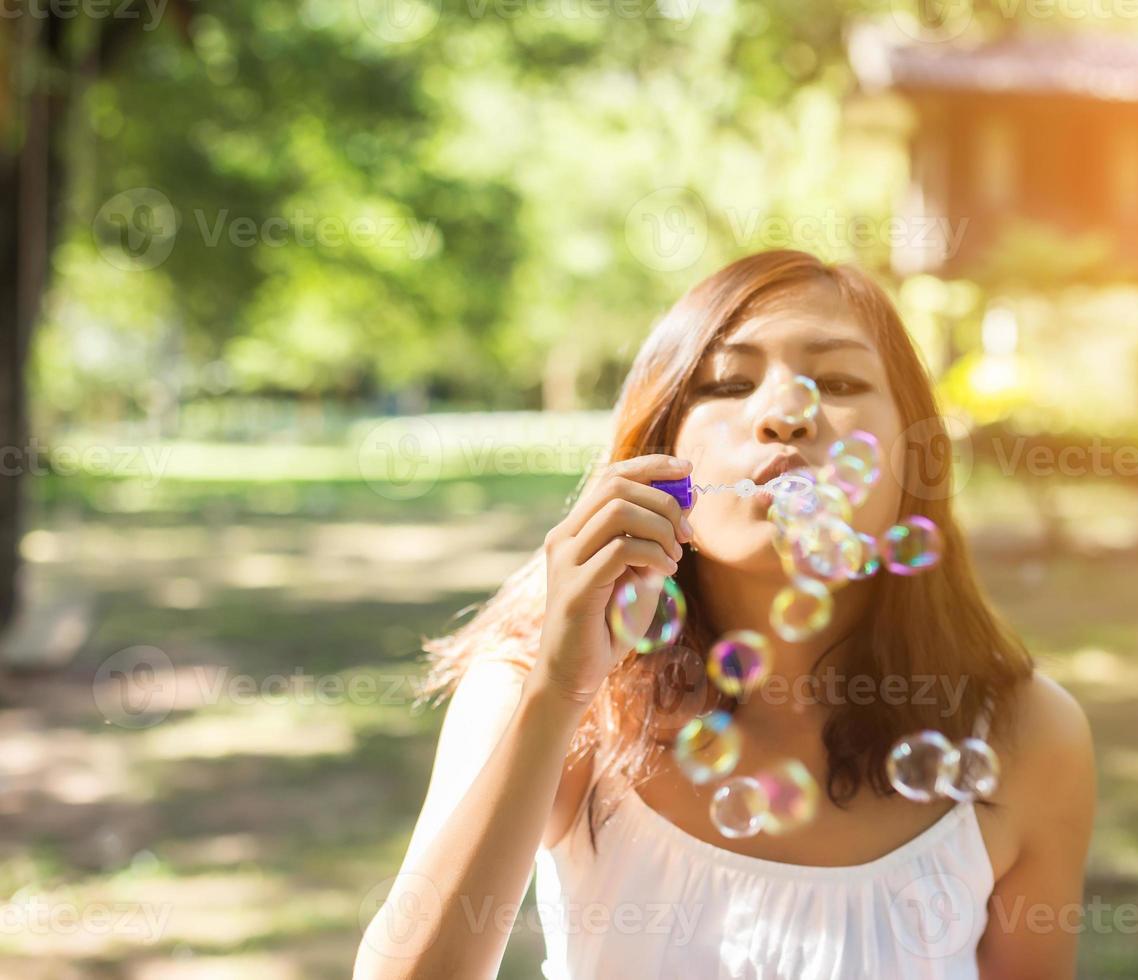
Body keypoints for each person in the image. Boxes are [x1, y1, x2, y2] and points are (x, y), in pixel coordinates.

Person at [353, 249, 1095, 979]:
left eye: (836, 380)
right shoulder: (539, 689)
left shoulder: (1025, 734)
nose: (784, 415)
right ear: (660, 454)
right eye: (728, 383)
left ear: (912, 456)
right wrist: (560, 688)